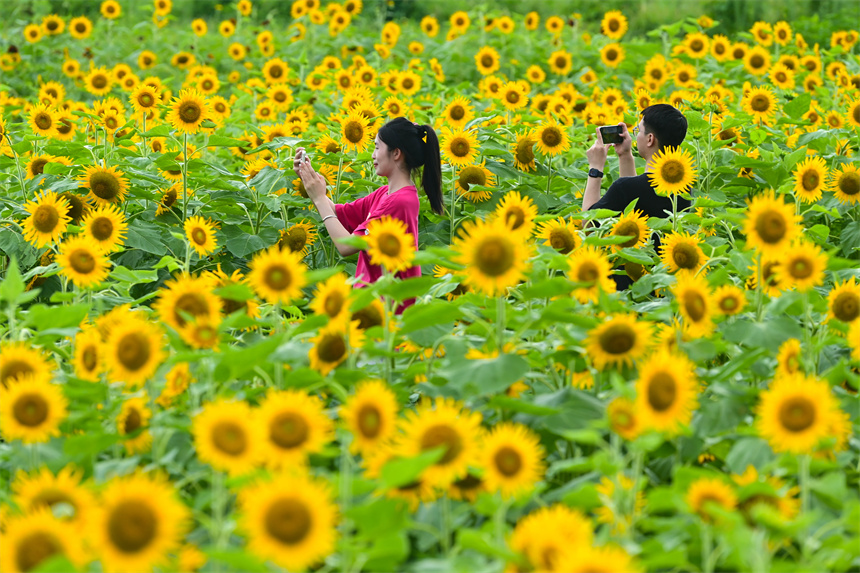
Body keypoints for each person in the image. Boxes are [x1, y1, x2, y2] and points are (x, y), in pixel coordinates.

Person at [294, 116, 444, 308]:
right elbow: (340, 213)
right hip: (376, 305)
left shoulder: (398, 202)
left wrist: (319, 198)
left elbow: (346, 246)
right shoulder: (388, 194)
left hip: (386, 310)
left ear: (396, 153)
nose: (373, 154)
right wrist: (311, 180)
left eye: (376, 147)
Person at [581, 103, 690, 288]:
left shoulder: (625, 188)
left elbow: (589, 224)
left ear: (649, 139)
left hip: (624, 290)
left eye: (637, 130)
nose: (634, 135)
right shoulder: (683, 190)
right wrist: (625, 156)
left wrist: (595, 168)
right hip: (660, 286)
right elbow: (633, 202)